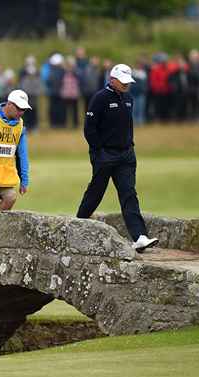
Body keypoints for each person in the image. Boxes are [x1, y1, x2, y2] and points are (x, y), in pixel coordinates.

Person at [76, 64, 158, 252]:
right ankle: (78, 223)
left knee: (129, 193)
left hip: (126, 155)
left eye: (127, 82)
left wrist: (130, 147)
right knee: (96, 192)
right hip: (105, 155)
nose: (126, 85)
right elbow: (89, 128)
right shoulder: (100, 98)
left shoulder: (129, 98)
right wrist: (98, 151)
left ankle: (140, 236)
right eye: (122, 82)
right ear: (112, 80)